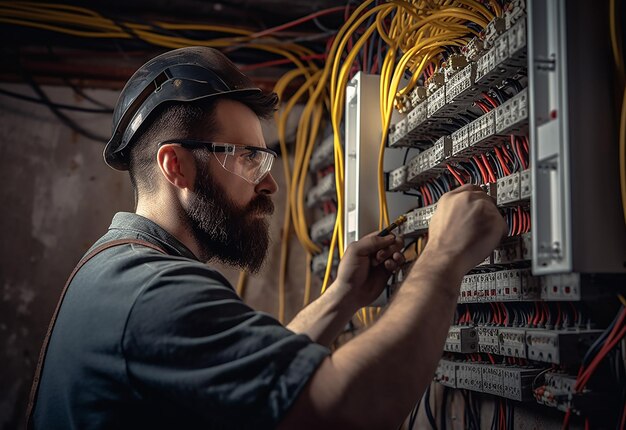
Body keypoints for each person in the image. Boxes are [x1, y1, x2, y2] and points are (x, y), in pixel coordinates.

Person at [29, 46, 506, 429]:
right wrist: (444, 257)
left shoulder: (118, 270)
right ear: (176, 165)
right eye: (247, 158)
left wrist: (341, 297)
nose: (270, 182)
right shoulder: (152, 294)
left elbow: (255, 375)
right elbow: (349, 407)